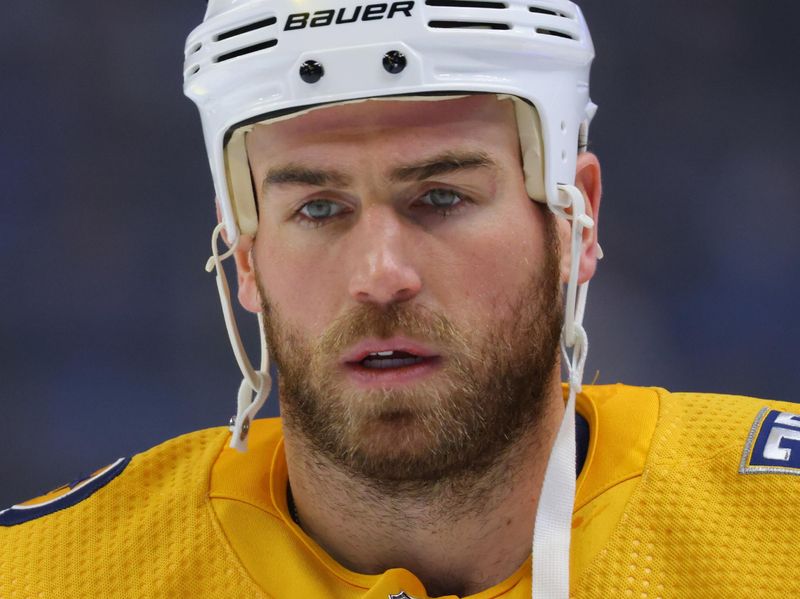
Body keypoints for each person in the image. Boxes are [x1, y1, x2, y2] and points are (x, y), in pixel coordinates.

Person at [1, 1, 798, 597]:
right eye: (317, 207)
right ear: (244, 253)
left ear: (574, 222)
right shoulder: (46, 574)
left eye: (441, 197)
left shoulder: (778, 533)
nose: (380, 274)